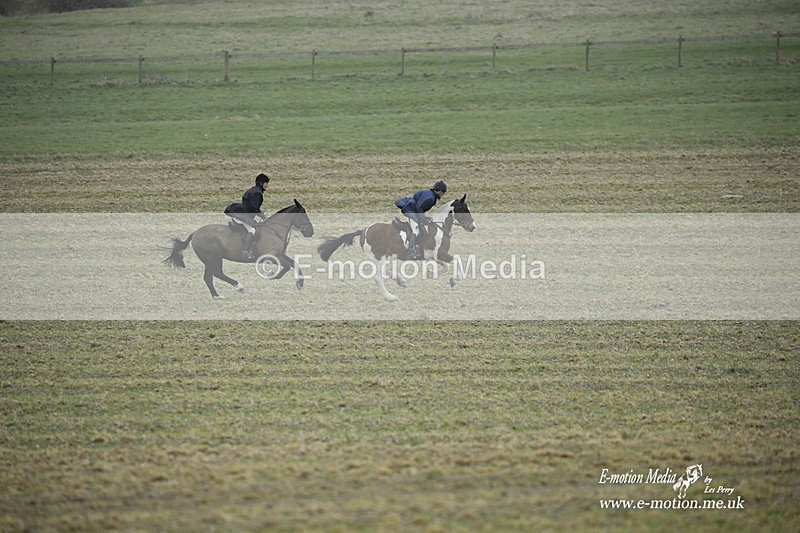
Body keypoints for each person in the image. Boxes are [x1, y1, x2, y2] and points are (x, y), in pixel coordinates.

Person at [394, 180, 447, 259]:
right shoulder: (431, 197)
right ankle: (410, 252)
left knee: (421, 225)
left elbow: (420, 208)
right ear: (439, 191)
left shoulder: (431, 195)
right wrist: (422, 218)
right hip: (409, 210)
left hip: (412, 209)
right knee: (417, 229)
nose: (443, 195)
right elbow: (419, 207)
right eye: (443, 192)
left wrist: (424, 217)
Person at [224, 173, 270, 260]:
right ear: (261, 183)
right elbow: (254, 207)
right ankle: (245, 252)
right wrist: (263, 216)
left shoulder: (254, 190)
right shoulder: (257, 193)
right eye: (266, 183)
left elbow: (252, 206)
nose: (267, 185)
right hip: (242, 215)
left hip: (244, 213)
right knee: (252, 230)